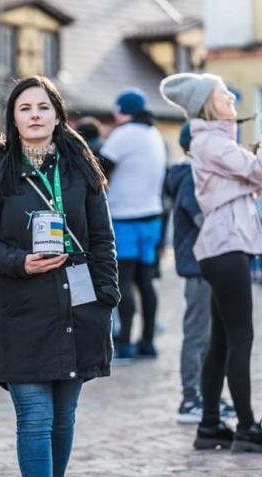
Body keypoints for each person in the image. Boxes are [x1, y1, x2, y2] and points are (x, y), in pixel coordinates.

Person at [0, 76, 118, 477]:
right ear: (12, 118)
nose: (34, 114)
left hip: (77, 305)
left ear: (57, 115)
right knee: (35, 415)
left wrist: (107, 295)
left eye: (42, 107)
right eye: (24, 107)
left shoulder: (80, 170)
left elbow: (102, 240)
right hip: (22, 307)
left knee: (64, 417)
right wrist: (19, 261)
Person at [161, 73, 262, 452]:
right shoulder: (209, 141)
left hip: (225, 247)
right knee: (241, 338)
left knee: (221, 342)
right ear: (207, 102)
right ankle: (248, 429)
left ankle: (209, 427)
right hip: (226, 247)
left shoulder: (216, 141)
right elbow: (257, 172)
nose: (232, 97)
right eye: (224, 94)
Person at [166, 122, 237, 424]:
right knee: (198, 334)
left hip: (208, 265)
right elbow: (204, 219)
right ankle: (190, 399)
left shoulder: (196, 173)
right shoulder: (191, 176)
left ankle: (208, 396)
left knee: (211, 336)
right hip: (199, 267)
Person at [99, 89, 166, 363]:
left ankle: (123, 343)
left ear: (120, 111)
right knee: (145, 282)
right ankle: (147, 341)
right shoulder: (154, 134)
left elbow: (99, 167)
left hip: (125, 216)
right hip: (152, 216)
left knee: (123, 281)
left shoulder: (124, 134)